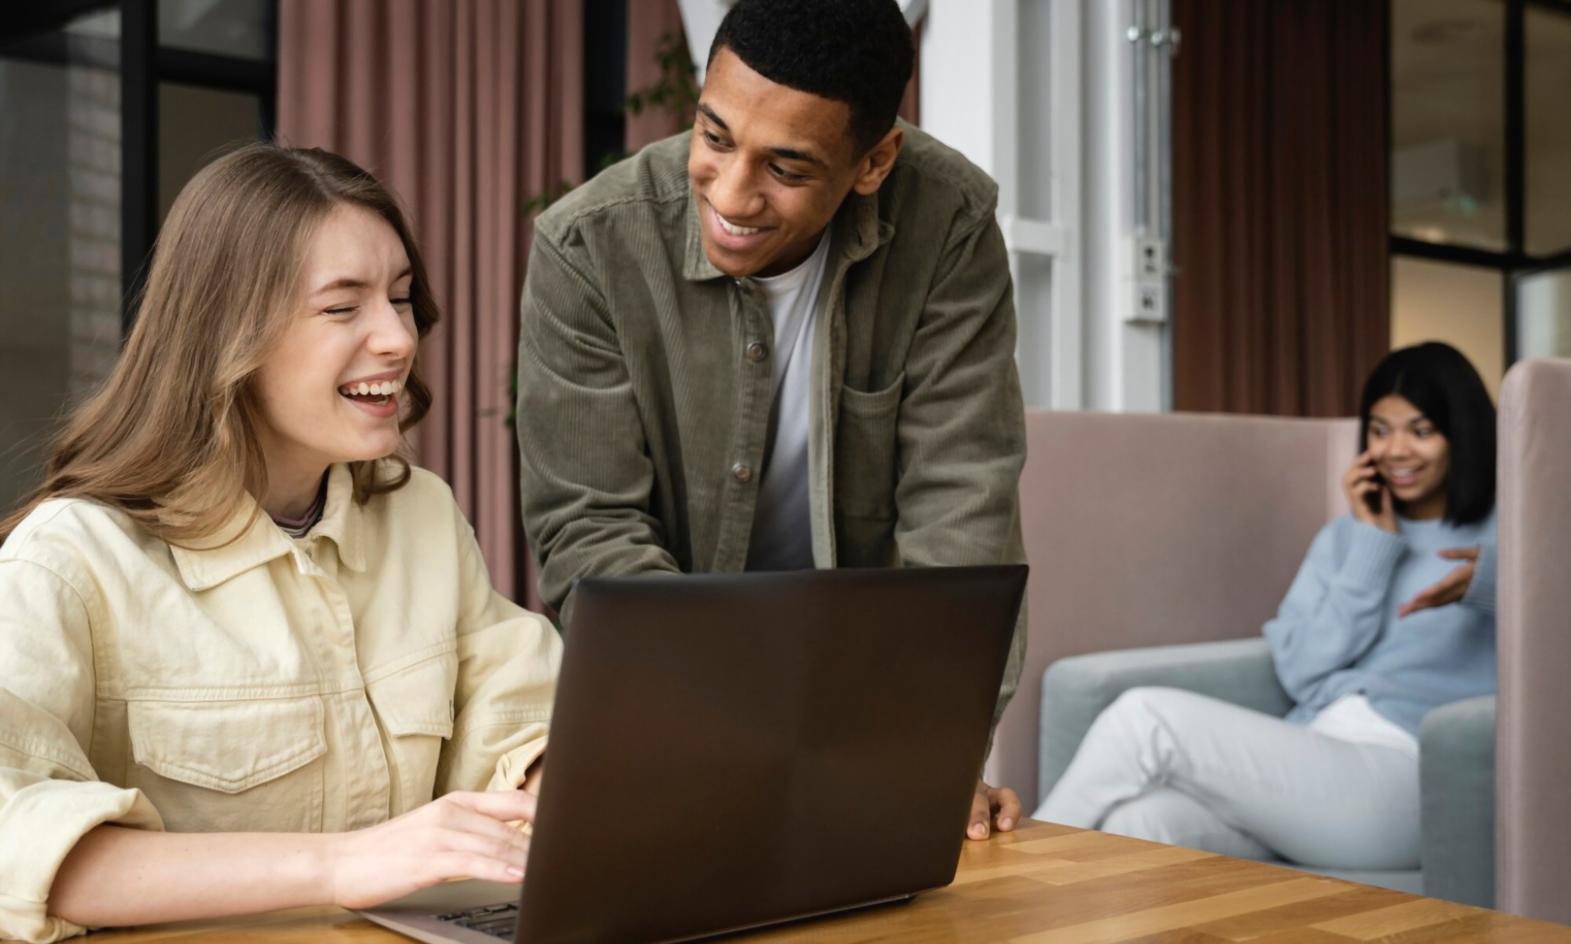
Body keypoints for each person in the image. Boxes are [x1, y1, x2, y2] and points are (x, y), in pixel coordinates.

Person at [0, 144, 561, 944]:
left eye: (401, 298)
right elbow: (10, 841)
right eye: (343, 308)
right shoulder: (72, 559)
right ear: (227, 334)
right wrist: (341, 863)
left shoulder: (422, 516)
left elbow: (519, 715)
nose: (398, 337)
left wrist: (549, 781)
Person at [515, 0, 1027, 841]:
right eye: (713, 137)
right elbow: (591, 527)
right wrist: (742, 736)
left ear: (874, 161)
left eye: (785, 169)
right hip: (675, 694)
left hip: (872, 686)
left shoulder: (946, 223)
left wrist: (926, 745)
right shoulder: (590, 246)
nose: (731, 193)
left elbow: (961, 505)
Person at [1034, 342, 1498, 870]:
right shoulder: (1348, 537)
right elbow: (1299, 671)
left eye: (1420, 431)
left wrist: (1491, 581)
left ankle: (1012, 888)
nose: (1395, 451)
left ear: (1462, 433)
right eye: (1379, 429)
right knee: (1139, 823)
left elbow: (1550, 620)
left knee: (1143, 718)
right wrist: (1373, 549)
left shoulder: (1509, 534)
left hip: (1408, 780)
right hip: (1314, 765)